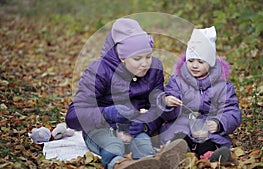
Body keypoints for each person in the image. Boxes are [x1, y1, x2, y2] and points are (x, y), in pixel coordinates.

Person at [65, 18, 187, 169]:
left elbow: (155, 108)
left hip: (133, 128)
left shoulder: (154, 68)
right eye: (137, 58)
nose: (145, 63)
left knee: (142, 141)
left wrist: (145, 126)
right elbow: (72, 116)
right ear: (122, 58)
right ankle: (119, 164)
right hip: (100, 129)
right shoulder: (99, 71)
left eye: (148, 56)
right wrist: (107, 113)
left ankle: (152, 162)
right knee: (113, 143)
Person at [157, 26, 242, 162]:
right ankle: (178, 153)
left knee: (208, 143)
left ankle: (211, 156)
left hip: (207, 129)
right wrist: (167, 102)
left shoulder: (222, 86)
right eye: (191, 61)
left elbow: (231, 110)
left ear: (210, 63)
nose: (194, 65)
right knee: (179, 138)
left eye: (200, 61)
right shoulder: (177, 80)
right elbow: (168, 102)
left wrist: (218, 123)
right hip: (182, 124)